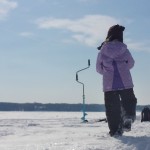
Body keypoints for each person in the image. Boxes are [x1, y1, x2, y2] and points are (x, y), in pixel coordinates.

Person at [96, 24, 137, 137]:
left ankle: (115, 131)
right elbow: (131, 63)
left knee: (111, 107)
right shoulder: (124, 49)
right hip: (125, 82)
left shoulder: (102, 51)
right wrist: (124, 69)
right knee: (129, 100)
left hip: (109, 84)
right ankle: (127, 117)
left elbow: (98, 68)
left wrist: (106, 72)